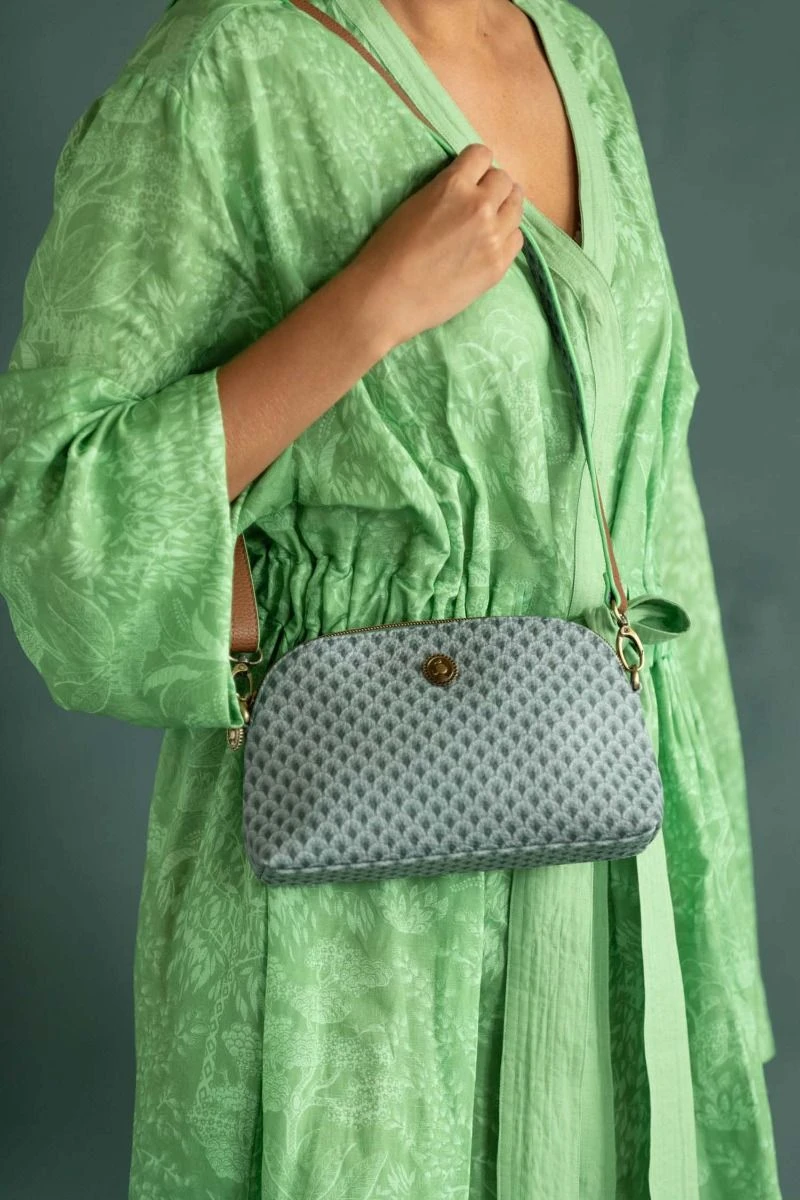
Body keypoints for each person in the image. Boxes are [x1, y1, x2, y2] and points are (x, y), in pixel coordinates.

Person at [0, 0, 782, 1195]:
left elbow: (650, 508)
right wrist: (365, 310)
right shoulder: (224, 74)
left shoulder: (572, 53)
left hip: (599, 855)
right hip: (351, 919)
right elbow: (60, 515)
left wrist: (703, 925)